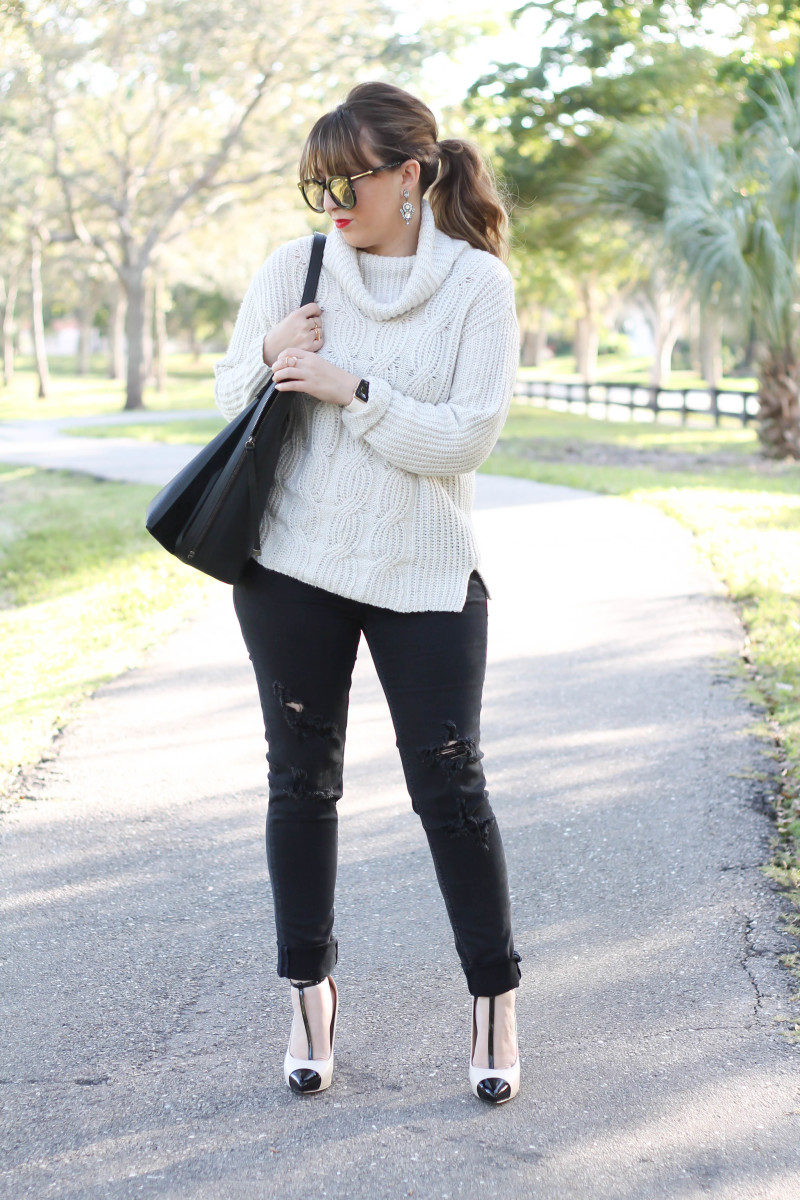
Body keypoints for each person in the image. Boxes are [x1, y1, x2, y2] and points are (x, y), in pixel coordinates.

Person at [213, 80, 522, 1104]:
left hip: (425, 570)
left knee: (450, 788)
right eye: (318, 183)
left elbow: (467, 435)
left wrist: (354, 388)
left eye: (348, 178)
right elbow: (224, 402)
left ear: (410, 173)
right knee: (300, 784)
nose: (333, 200)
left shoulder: (475, 285)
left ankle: (492, 1003)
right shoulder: (293, 269)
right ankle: (307, 997)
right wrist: (269, 355)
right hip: (290, 566)